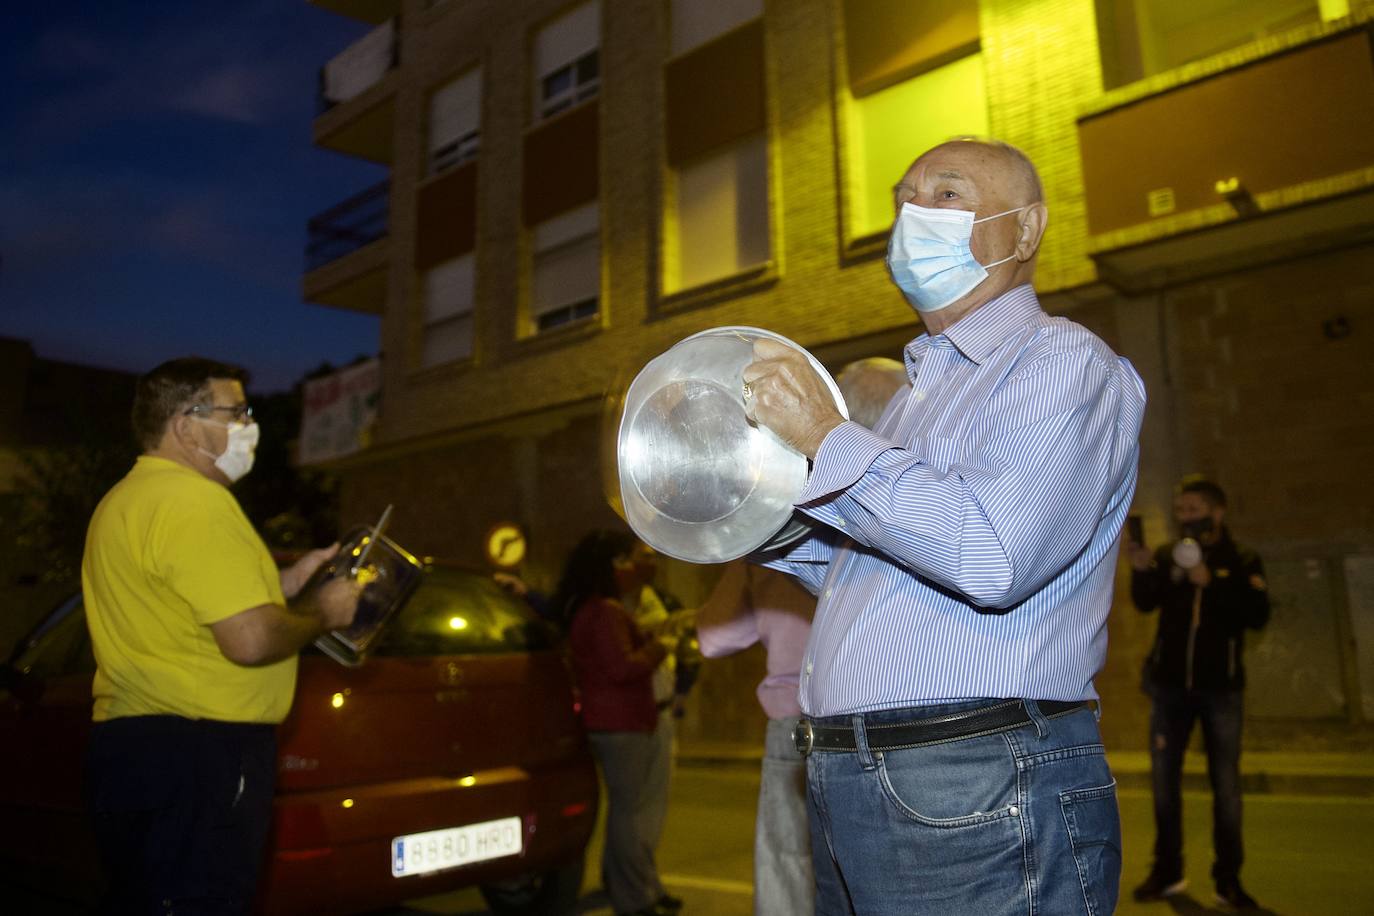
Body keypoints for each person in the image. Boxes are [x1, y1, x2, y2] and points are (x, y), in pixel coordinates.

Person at [739, 138, 1147, 915]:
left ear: (1025, 231)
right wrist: (753, 513)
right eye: (904, 196)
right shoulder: (916, 395)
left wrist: (828, 437)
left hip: (976, 772)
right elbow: (871, 566)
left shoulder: (1060, 362)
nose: (914, 214)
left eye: (948, 194)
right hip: (857, 773)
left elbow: (990, 553)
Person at [81, 357, 361, 915]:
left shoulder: (127, 501)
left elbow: (193, 607)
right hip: (200, 753)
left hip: (139, 748)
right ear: (185, 425)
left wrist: (289, 582)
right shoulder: (195, 503)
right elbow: (250, 640)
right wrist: (325, 613)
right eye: (237, 413)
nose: (249, 425)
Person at [695, 357, 909, 916]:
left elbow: (714, 639)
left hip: (795, 728)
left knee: (789, 868)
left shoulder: (780, 524)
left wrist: (746, 557)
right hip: (888, 719)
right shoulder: (894, 508)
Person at [1128, 475, 1270, 909]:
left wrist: (1212, 581)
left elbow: (1257, 615)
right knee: (1164, 784)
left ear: (1216, 511)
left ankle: (1228, 880)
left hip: (1221, 692)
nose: (1184, 517)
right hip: (1171, 691)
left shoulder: (1243, 559)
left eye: (1192, 509)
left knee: (1226, 787)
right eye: (1180, 510)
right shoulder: (1172, 554)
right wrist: (1141, 571)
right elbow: (1147, 603)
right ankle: (1166, 871)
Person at [555, 530, 681, 916]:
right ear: (607, 567)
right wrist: (662, 647)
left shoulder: (594, 609)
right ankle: (633, 899)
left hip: (613, 723)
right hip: (622, 724)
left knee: (626, 813)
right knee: (630, 815)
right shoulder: (604, 611)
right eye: (624, 561)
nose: (633, 568)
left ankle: (630, 888)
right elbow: (623, 667)